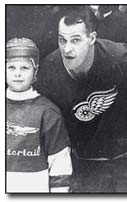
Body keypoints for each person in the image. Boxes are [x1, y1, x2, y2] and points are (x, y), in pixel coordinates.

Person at [35, 6, 127, 192]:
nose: (67, 49)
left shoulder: (122, 60)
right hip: (82, 163)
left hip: (126, 160)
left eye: (75, 40)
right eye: (62, 40)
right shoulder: (48, 72)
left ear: (91, 38)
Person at [6, 37, 72, 193]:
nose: (17, 74)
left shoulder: (48, 112)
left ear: (35, 71)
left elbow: (59, 162)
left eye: (24, 68)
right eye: (11, 68)